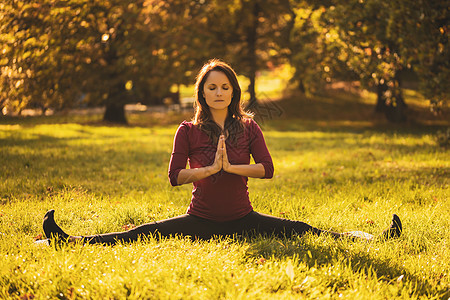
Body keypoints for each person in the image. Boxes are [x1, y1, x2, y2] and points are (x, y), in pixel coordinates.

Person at [42, 59, 402, 245]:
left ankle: (372, 236)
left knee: (301, 229)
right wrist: (209, 170)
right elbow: (174, 177)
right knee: (141, 232)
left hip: (244, 219)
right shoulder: (187, 130)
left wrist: (232, 167)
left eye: (224, 86)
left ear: (233, 92)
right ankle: (69, 240)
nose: (218, 92)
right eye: (211, 87)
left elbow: (268, 169)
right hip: (199, 220)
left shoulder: (248, 127)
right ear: (202, 93)